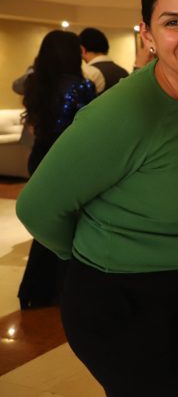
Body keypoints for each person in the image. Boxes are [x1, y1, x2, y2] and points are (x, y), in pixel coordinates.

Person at [16, 0, 178, 396]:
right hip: (123, 298)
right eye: (173, 22)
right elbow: (37, 207)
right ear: (147, 35)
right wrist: (101, 254)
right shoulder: (122, 113)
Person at [17, 30, 96, 309]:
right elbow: (86, 128)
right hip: (67, 160)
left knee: (46, 226)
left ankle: (34, 289)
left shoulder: (35, 83)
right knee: (67, 227)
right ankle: (62, 290)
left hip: (39, 157)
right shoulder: (81, 86)